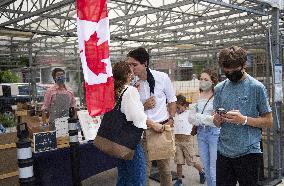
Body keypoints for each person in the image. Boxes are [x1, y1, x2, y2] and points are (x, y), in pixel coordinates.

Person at [213, 46, 273, 186]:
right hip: (224, 151)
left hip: (248, 152)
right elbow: (216, 121)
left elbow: (268, 121)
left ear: (244, 65)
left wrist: (244, 119)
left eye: (235, 71)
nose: (231, 74)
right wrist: (216, 120)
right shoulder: (219, 88)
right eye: (227, 72)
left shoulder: (256, 87)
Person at [127, 47, 177, 186]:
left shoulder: (162, 78)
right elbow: (130, 110)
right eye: (129, 65)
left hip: (161, 128)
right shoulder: (131, 83)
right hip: (142, 130)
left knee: (165, 170)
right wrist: (144, 105)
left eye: (134, 64)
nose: (131, 68)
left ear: (145, 63)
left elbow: (172, 100)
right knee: (144, 170)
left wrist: (171, 119)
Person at [113, 61, 165, 186]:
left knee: (124, 176)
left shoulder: (116, 91)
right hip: (131, 141)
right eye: (131, 70)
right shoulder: (130, 91)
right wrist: (153, 124)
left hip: (118, 139)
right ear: (128, 75)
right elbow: (136, 116)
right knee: (139, 178)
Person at [188, 69, 219, 186]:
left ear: (213, 82)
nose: (202, 81)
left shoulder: (217, 96)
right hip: (201, 134)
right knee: (206, 167)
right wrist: (209, 118)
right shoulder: (196, 95)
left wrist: (199, 117)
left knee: (213, 169)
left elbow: (217, 119)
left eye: (206, 79)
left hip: (214, 134)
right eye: (201, 79)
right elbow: (190, 118)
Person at [173, 94, 206, 186]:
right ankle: (179, 180)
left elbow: (196, 115)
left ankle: (202, 171)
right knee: (178, 162)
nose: (177, 109)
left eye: (179, 107)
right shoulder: (174, 114)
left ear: (185, 106)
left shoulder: (189, 114)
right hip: (177, 141)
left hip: (187, 141)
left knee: (191, 161)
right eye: (176, 107)